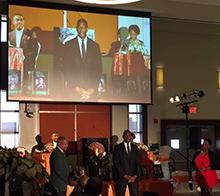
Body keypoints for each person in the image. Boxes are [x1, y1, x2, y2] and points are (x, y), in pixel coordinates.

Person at [63, 18, 102, 100]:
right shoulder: (68, 45)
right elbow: (66, 68)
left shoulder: (95, 46)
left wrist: (92, 89)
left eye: (83, 27)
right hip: (73, 92)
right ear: (76, 29)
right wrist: (76, 88)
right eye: (79, 27)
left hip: (91, 92)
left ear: (87, 28)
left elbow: (98, 69)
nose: (81, 29)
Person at [9, 14, 39, 93]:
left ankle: (25, 89)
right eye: (17, 20)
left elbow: (35, 47)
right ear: (13, 22)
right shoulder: (9, 35)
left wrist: (27, 57)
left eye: (21, 20)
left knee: (25, 78)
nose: (19, 21)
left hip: (26, 60)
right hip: (13, 61)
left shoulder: (30, 33)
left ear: (24, 21)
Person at [113, 130, 140, 196]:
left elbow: (138, 163)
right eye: (126, 135)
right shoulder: (118, 148)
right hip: (122, 178)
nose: (128, 137)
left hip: (133, 177)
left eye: (129, 135)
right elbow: (116, 163)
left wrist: (135, 176)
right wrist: (124, 175)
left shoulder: (135, 148)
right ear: (123, 136)